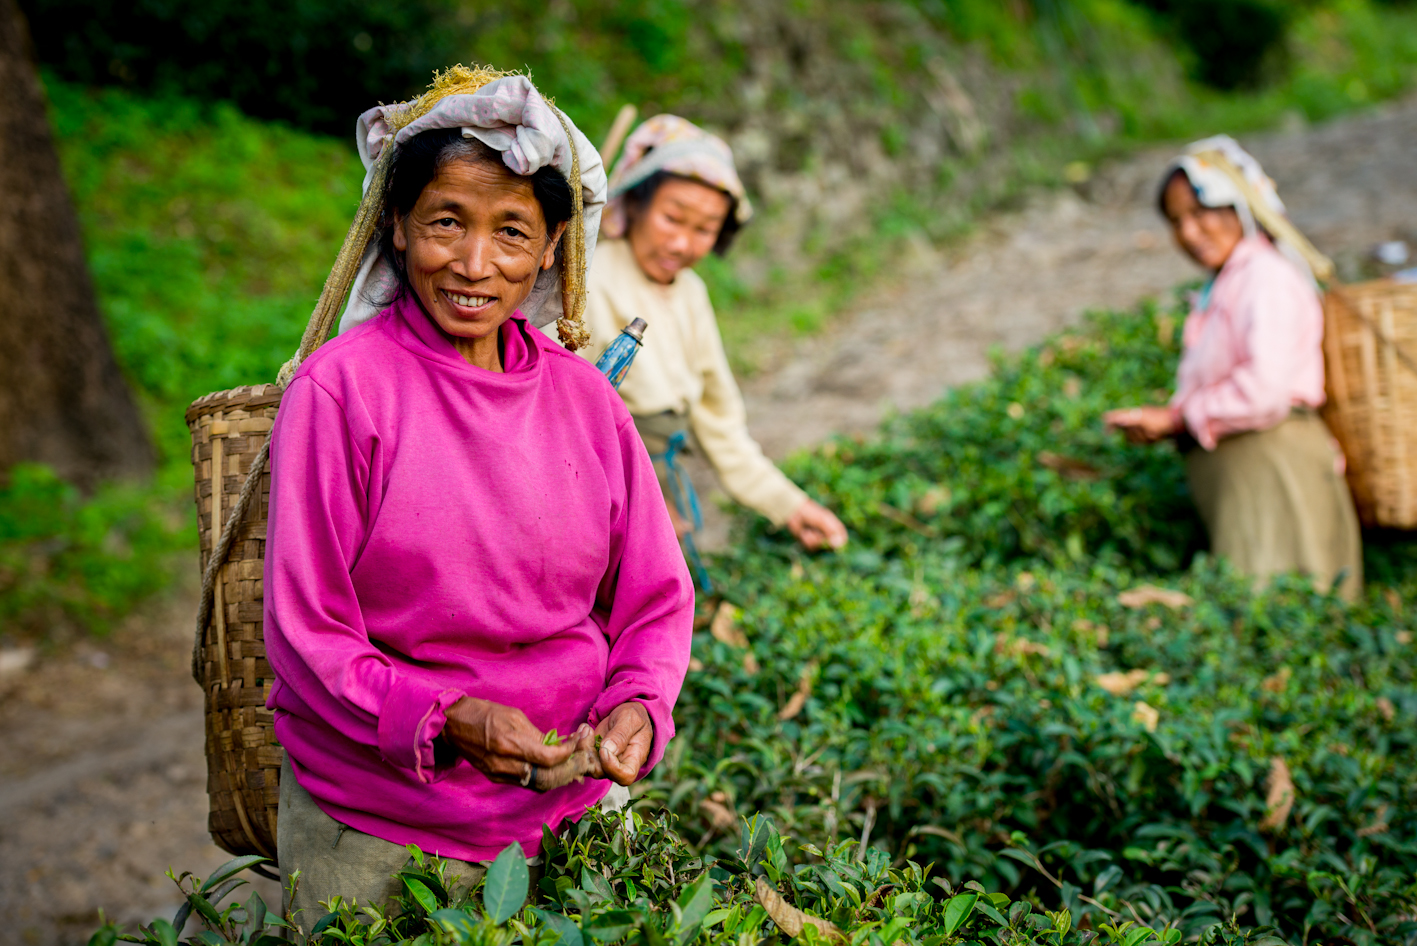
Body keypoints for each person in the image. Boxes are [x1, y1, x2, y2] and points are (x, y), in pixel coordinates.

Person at [263, 67, 693, 930]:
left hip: (569, 815)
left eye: (511, 232)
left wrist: (641, 705)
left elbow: (654, 598)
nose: (473, 264)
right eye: (446, 222)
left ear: (550, 246)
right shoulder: (341, 394)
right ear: (396, 225)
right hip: (378, 830)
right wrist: (443, 716)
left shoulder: (585, 399)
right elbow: (309, 632)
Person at [1104, 135, 1361, 599]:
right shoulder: (1225, 285)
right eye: (1176, 221)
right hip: (1249, 482)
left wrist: (1178, 417)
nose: (1188, 233)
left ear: (1240, 207)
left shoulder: (1267, 278)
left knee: (1285, 611)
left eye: (1200, 213)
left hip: (1275, 473)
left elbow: (1264, 390)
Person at [580, 114, 847, 555]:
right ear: (636, 205)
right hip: (604, 482)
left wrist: (790, 506)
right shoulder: (589, 280)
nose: (683, 243)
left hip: (662, 481)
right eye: (672, 218)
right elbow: (559, 414)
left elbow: (719, 421)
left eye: (703, 229)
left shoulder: (691, 294)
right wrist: (630, 493)